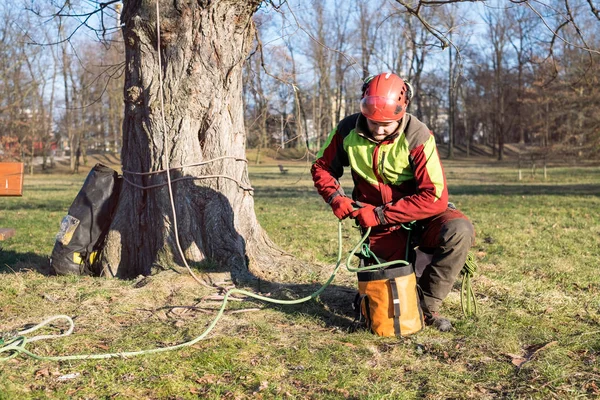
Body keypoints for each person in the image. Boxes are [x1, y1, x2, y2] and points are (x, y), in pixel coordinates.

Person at [311, 72, 475, 332]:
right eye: (373, 121)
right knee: (381, 306)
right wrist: (335, 197)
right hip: (379, 225)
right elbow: (321, 166)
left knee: (459, 230)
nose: (378, 129)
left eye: (387, 123)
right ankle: (398, 293)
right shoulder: (347, 130)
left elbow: (434, 197)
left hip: (420, 216)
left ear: (403, 110)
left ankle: (425, 308)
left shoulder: (418, 135)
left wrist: (380, 214)